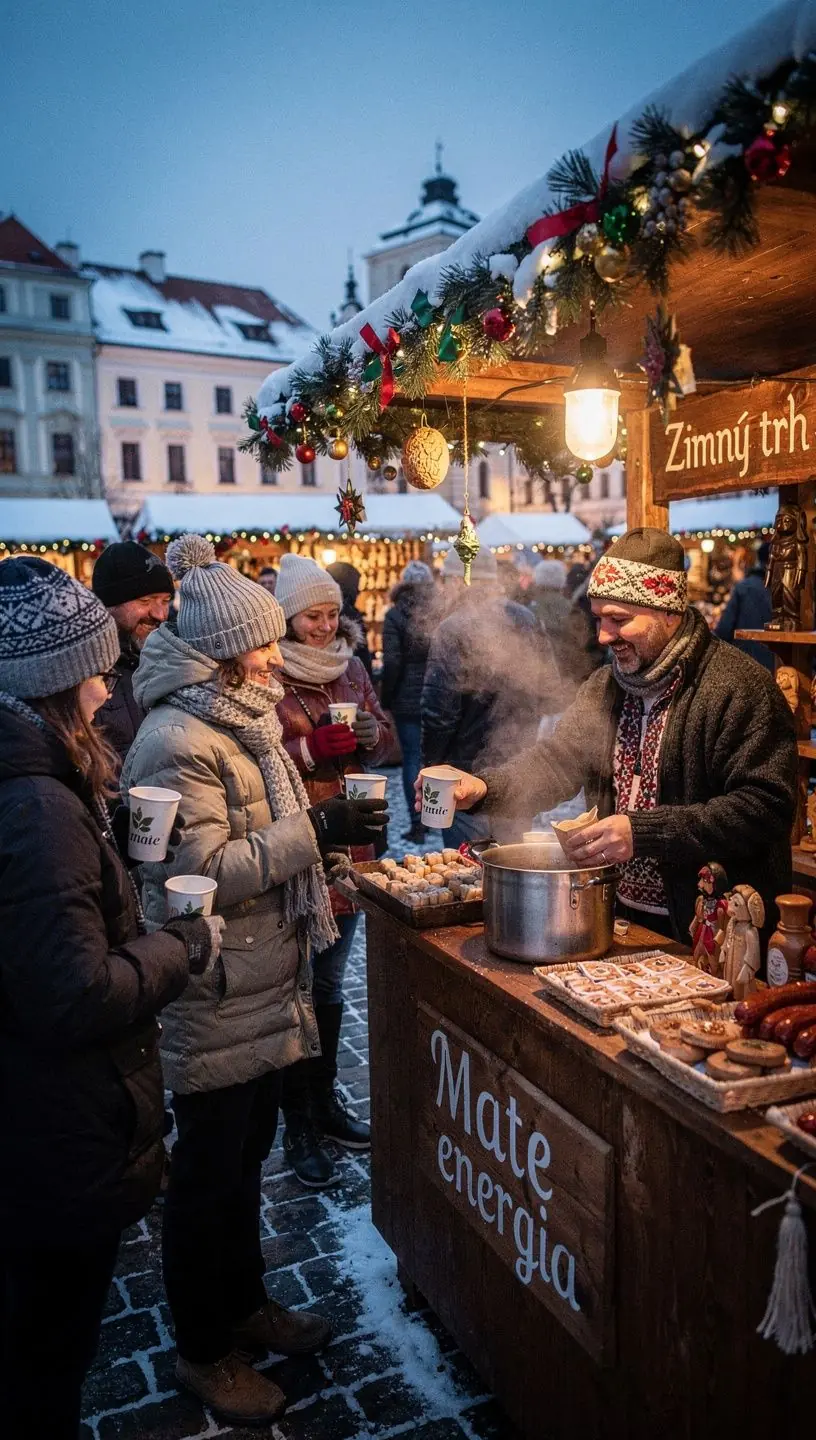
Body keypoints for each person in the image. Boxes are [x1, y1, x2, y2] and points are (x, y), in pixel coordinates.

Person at [122, 535, 388, 1425]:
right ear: (227, 648)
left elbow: (266, 838)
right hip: (214, 987)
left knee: (245, 1162)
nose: (277, 655)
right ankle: (204, 1349)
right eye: (265, 642)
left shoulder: (244, 712)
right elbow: (194, 870)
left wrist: (325, 861)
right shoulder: (176, 735)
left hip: (262, 975)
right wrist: (316, 832)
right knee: (207, 1178)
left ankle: (245, 1304)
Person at [0, 556, 220, 1440]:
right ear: (53, 685)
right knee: (45, 1358)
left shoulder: (42, 791)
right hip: (52, 1134)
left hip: (38, 1127)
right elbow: (73, 994)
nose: (106, 689)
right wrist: (178, 944)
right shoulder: (36, 808)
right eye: (91, 672)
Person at [429, 528, 797, 944]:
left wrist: (643, 833)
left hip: (711, 930)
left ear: (667, 613)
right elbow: (556, 761)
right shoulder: (608, 685)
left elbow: (766, 807)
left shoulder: (737, 687)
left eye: (619, 620)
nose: (604, 635)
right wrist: (483, 787)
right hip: (620, 924)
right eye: (599, 619)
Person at [275, 552, 394, 1187]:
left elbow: (391, 742)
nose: (324, 627)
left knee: (329, 986)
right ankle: (297, 1124)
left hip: (354, 851)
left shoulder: (352, 671)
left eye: (331, 615)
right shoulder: (268, 674)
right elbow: (259, 755)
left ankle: (325, 1106)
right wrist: (307, 747)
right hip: (300, 848)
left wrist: (373, 735)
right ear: (288, 617)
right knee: (297, 988)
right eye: (311, 616)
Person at [421, 545, 561, 848]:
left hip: (464, 775)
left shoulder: (451, 628)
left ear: (460, 580)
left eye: (446, 579)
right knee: (513, 868)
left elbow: (438, 713)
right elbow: (550, 690)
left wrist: (432, 765)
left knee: (472, 873)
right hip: (517, 772)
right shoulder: (525, 617)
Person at [91, 539, 175, 771]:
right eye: (145, 601)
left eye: (165, 601)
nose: (159, 614)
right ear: (108, 605)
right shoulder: (87, 675)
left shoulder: (172, 663)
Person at [381, 559, 436, 842]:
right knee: (435, 758)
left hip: (406, 698)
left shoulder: (395, 615)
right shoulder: (439, 610)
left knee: (412, 759)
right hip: (436, 694)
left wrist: (386, 699)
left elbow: (392, 663)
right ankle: (436, 814)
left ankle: (417, 823)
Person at [714, 541, 775, 673]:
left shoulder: (745, 587)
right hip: (780, 667)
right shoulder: (785, 590)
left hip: (748, 664)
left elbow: (723, 630)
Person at [326, 560, 374, 675]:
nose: (358, 591)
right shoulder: (347, 615)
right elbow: (362, 661)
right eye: (356, 585)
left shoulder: (333, 612)